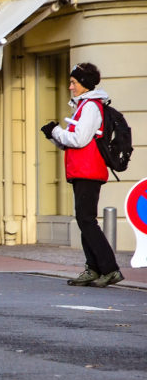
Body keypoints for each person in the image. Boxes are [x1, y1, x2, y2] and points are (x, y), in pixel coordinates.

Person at [42, 62, 124, 288]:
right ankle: (94, 268)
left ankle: (109, 268)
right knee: (84, 219)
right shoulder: (83, 106)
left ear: (85, 84)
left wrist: (57, 131)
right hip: (82, 170)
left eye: (73, 82)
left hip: (88, 171)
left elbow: (79, 140)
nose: (70, 87)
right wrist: (53, 135)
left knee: (86, 220)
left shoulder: (90, 107)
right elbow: (70, 143)